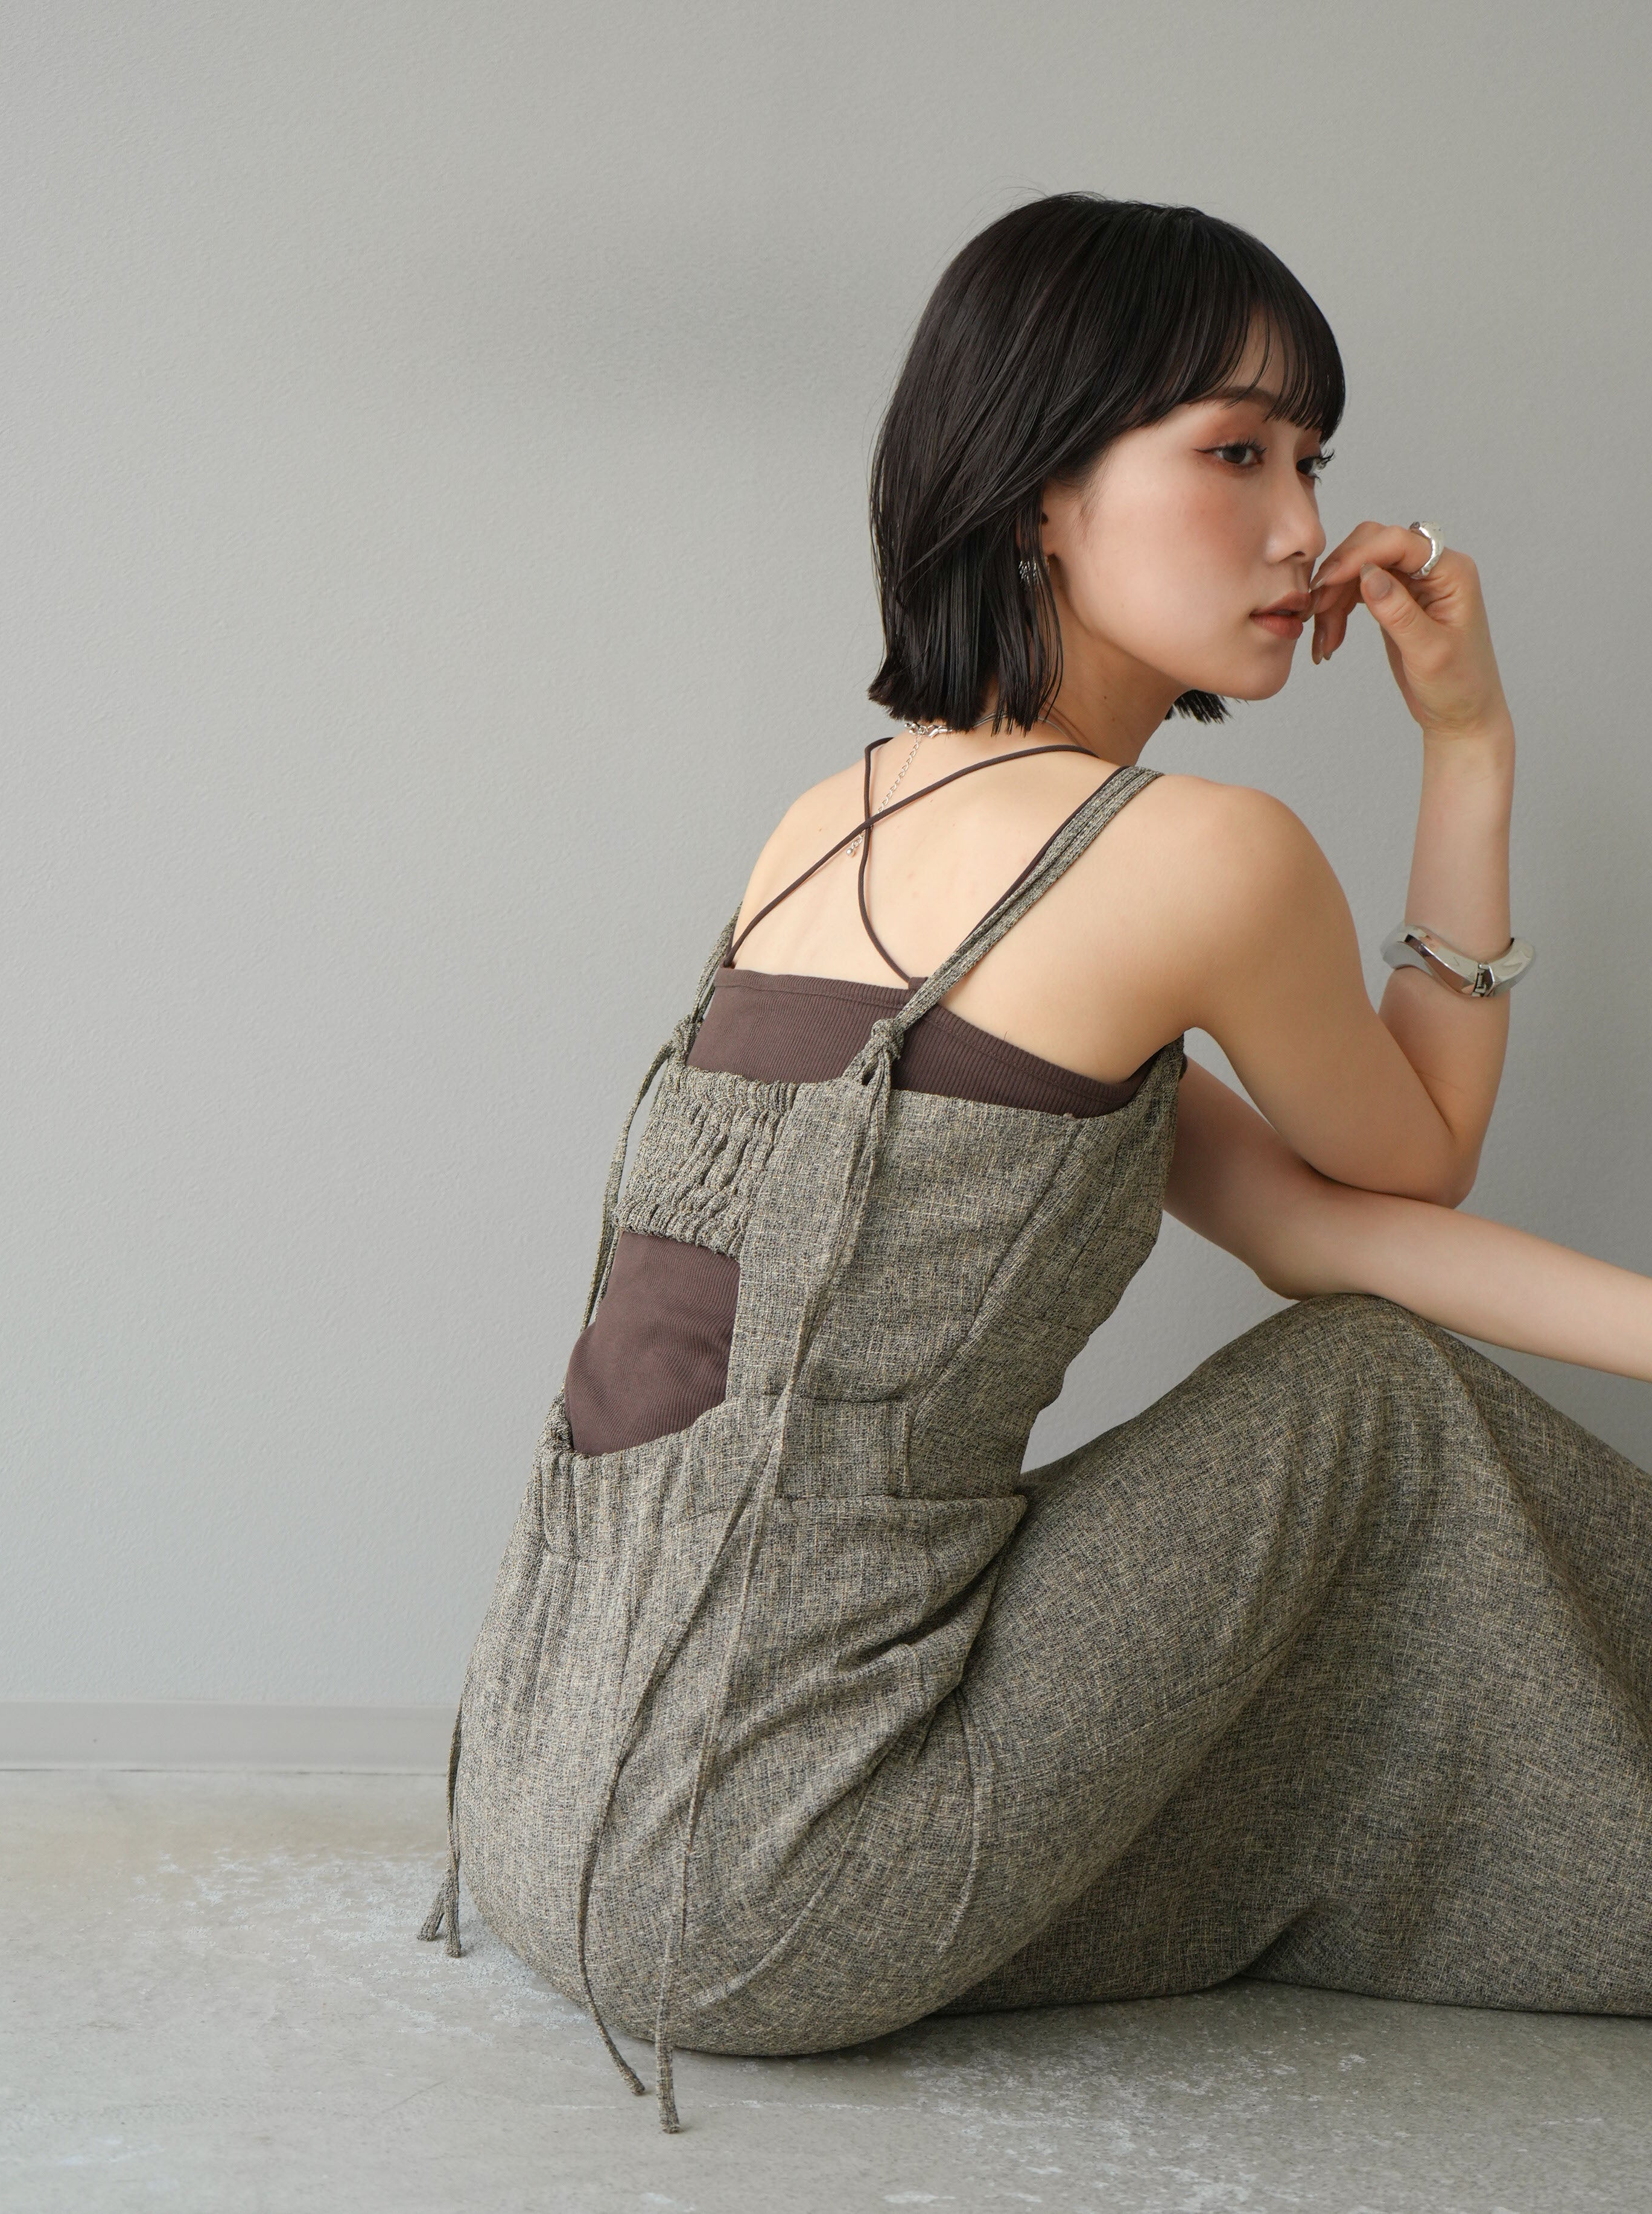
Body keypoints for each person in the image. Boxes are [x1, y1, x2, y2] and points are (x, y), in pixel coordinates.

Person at [417, 194, 1652, 2133]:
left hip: (551, 1819)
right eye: (1234, 453)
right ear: (1038, 494)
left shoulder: (830, 821)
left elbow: (1308, 1228)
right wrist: (1472, 746)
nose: (1302, 528)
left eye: (1313, 462)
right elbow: (1414, 1163)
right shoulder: (1196, 856)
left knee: (1359, 1400)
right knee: (1370, 1405)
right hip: (777, 1871)